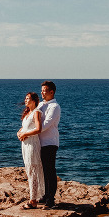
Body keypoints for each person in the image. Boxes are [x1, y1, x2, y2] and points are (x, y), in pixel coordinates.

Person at [17, 92, 44, 208]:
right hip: (25, 145)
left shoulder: (36, 112)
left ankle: (33, 200)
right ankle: (34, 197)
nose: (25, 100)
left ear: (34, 101)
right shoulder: (28, 113)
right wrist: (19, 133)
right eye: (25, 98)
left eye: (28, 98)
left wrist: (26, 134)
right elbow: (24, 127)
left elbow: (38, 129)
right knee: (29, 169)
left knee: (33, 170)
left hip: (32, 144)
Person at [36, 80, 60, 208]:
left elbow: (45, 125)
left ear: (52, 92)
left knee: (50, 170)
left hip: (50, 142)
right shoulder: (41, 105)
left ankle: (51, 198)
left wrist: (30, 131)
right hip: (40, 142)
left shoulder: (54, 107)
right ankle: (45, 195)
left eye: (44, 91)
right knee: (43, 170)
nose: (42, 93)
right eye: (42, 91)